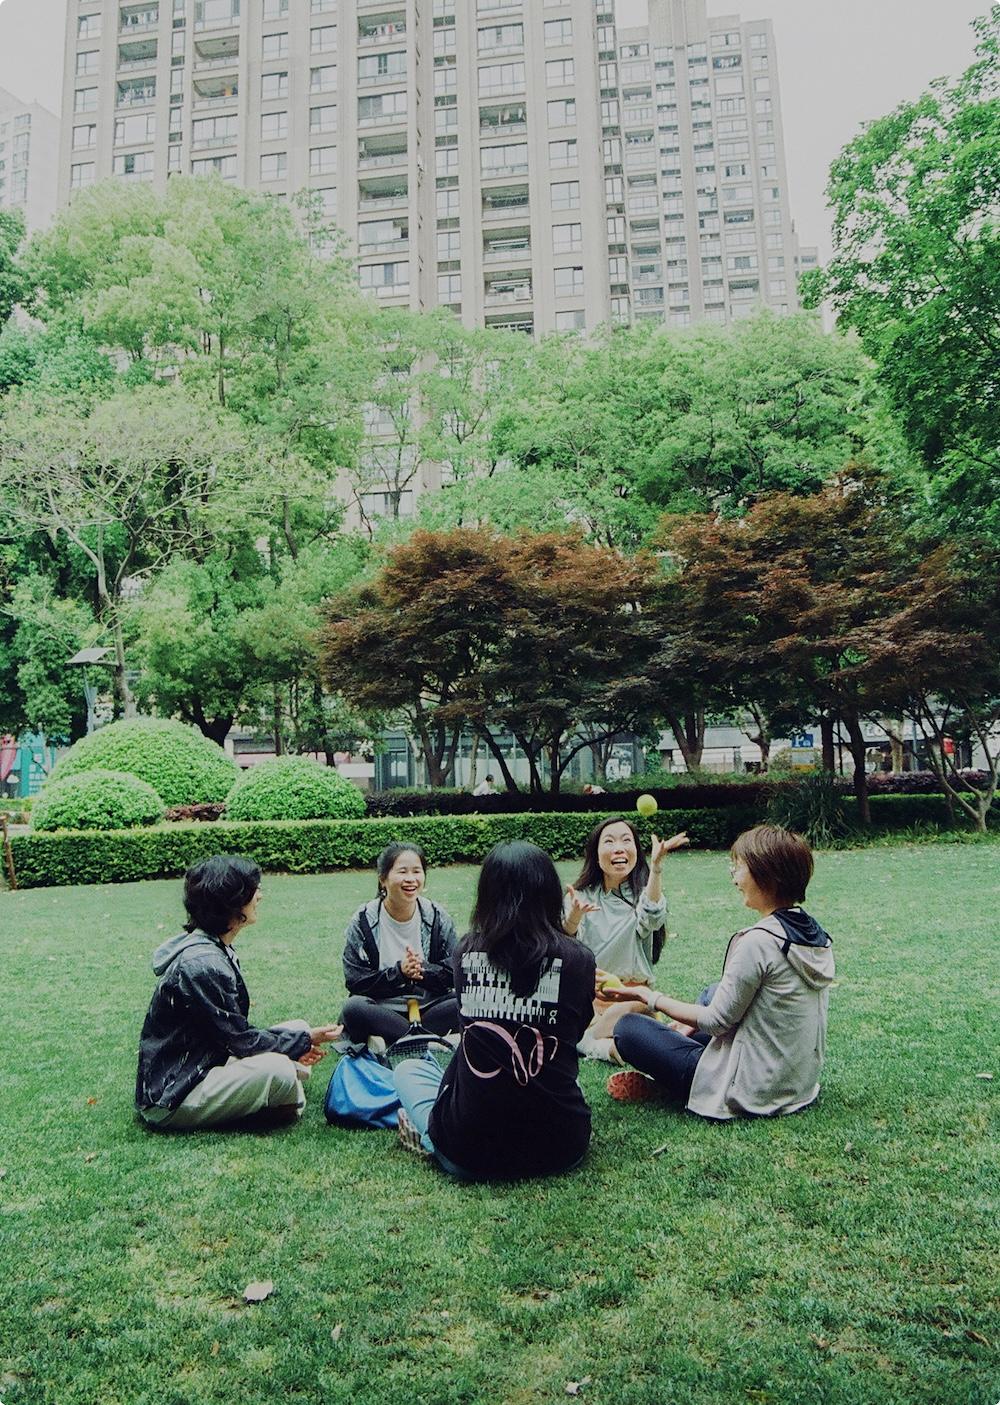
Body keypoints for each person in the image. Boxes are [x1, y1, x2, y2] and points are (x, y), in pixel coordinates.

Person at [393, 841, 596, 1180]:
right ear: (548, 893)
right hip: (561, 1147)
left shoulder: (465, 952)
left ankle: (430, 1137)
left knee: (408, 1070)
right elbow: (574, 1032)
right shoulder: (578, 959)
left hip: (466, 1151)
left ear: (487, 895)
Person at [605, 824, 835, 1121]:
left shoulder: (759, 941)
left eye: (738, 869)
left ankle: (671, 1082)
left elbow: (716, 1022)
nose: (735, 879)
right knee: (712, 992)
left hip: (749, 1089)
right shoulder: (814, 934)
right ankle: (676, 1050)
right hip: (796, 1083)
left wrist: (647, 996)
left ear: (767, 876)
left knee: (629, 1029)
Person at [136, 855, 341, 1129]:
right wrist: (300, 1043)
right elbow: (240, 1040)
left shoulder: (212, 947)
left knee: (298, 1028)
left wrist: (299, 1038)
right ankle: (279, 1099)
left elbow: (231, 1035)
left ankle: (279, 1084)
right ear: (230, 904)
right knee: (278, 1069)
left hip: (207, 1060)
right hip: (173, 1094)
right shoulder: (202, 964)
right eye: (253, 890)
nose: (260, 896)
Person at [563, 816, 689, 1061]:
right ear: (596, 854)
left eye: (626, 840)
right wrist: (574, 918)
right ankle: (608, 1046)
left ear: (636, 852)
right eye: (609, 841)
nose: (618, 847)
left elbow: (652, 915)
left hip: (632, 999)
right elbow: (564, 942)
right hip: (587, 1003)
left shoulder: (643, 896)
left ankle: (590, 1043)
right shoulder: (579, 897)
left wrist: (656, 867)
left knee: (628, 1012)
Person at [340, 842, 459, 1049]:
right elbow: (355, 981)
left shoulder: (438, 917)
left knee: (468, 999)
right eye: (402, 871)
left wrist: (422, 971)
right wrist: (399, 973)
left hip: (430, 1008)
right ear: (383, 879)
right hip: (382, 1010)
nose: (411, 879)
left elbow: (454, 973)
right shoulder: (363, 921)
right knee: (353, 1008)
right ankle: (427, 1040)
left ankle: (398, 1039)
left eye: (417, 871)